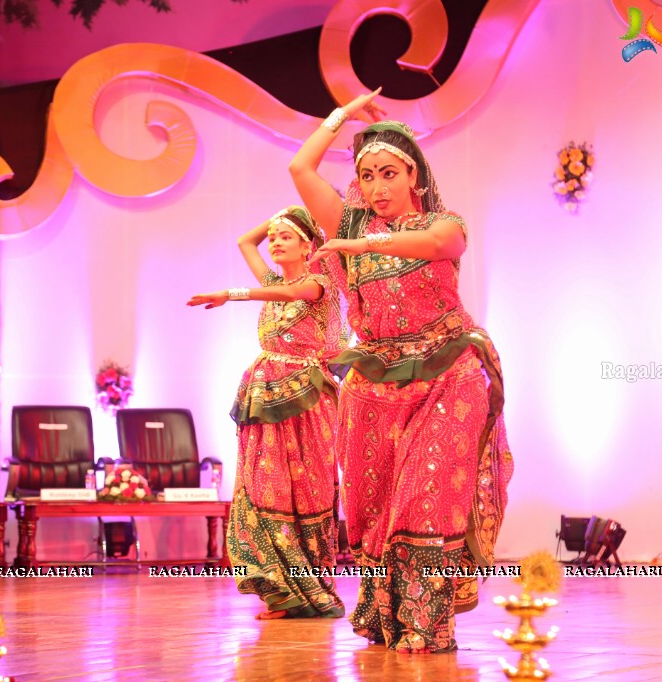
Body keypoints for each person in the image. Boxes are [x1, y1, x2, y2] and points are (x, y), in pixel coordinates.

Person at [288, 90, 514, 653]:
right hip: (374, 382)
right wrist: (339, 116)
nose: (378, 186)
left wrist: (359, 240)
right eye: (367, 176)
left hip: (447, 373)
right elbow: (299, 166)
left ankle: (428, 622)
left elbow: (438, 244)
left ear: (413, 175)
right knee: (372, 508)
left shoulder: (443, 222)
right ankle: (390, 616)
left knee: (428, 496)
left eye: (389, 172)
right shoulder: (350, 222)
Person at [187, 206, 346, 619]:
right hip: (264, 399)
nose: (274, 242)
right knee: (262, 490)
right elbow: (245, 241)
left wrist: (231, 294)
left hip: (307, 401)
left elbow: (290, 293)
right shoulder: (274, 280)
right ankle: (280, 590)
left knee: (304, 492)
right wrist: (282, 213)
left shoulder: (318, 284)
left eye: (286, 236)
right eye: (273, 237)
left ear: (308, 245)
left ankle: (312, 590)